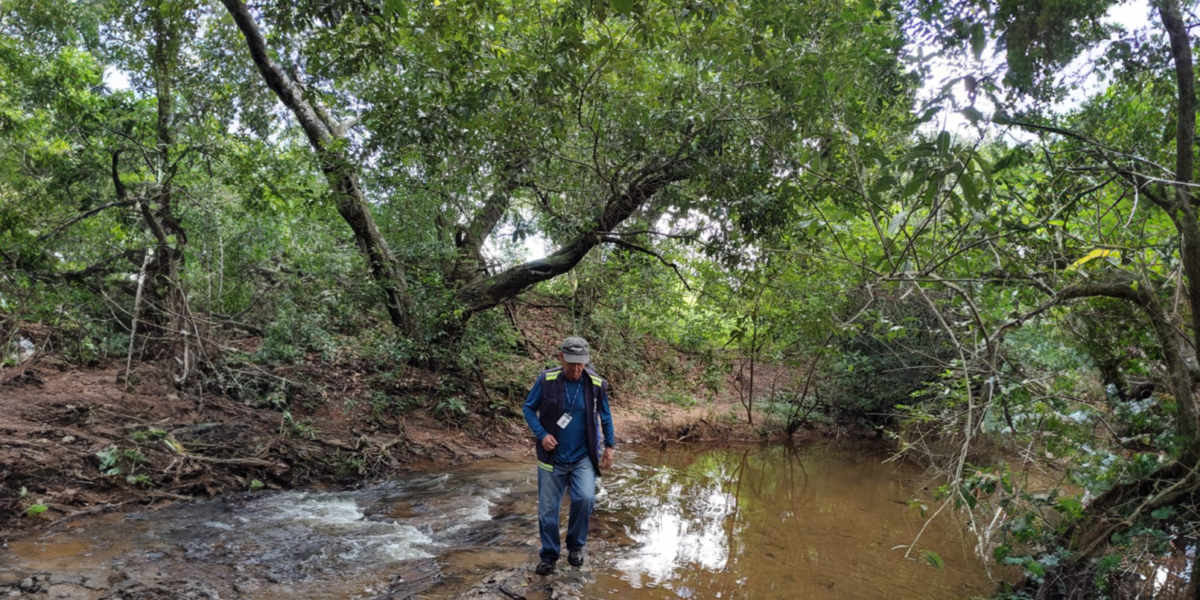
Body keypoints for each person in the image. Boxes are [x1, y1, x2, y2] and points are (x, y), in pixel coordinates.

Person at [522, 336, 615, 575]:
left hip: (583, 456)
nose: (576, 369)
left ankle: (575, 547)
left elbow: (605, 416)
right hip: (552, 458)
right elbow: (528, 408)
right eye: (571, 363)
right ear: (561, 357)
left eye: (581, 363)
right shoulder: (546, 380)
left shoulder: (596, 384)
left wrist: (610, 446)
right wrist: (542, 434)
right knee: (548, 510)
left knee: (584, 499)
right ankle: (549, 555)